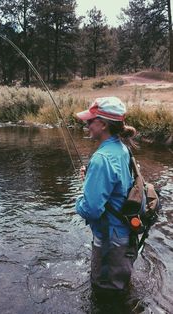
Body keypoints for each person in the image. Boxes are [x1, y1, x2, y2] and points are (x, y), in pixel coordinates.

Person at [75, 96, 138, 294]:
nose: (86, 125)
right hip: (125, 234)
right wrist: (91, 179)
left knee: (105, 295)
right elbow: (118, 187)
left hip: (110, 240)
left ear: (102, 124)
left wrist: (79, 199)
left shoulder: (101, 159)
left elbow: (91, 210)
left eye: (89, 121)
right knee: (120, 289)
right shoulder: (122, 148)